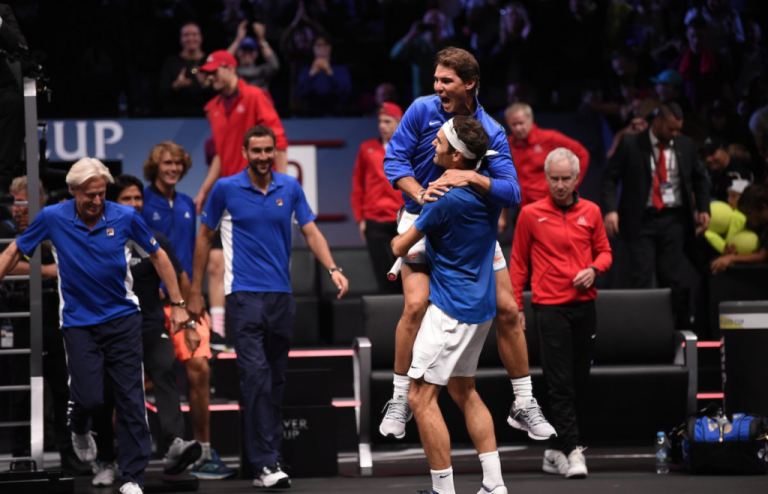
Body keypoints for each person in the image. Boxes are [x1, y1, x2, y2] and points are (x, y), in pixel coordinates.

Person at [382, 47, 554, 442]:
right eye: (436, 80)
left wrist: (471, 179)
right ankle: (398, 398)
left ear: (469, 83)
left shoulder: (490, 130)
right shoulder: (422, 110)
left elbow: (511, 191)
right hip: (421, 214)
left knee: (509, 308)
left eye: (446, 81)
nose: (437, 87)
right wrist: (421, 193)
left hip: (468, 226)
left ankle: (524, 403)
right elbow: (395, 163)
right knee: (414, 304)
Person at [0, 158, 188, 494]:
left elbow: (159, 256)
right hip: (78, 323)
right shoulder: (53, 218)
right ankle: (80, 429)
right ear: (73, 192)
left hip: (123, 320)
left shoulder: (126, 217)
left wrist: (177, 304)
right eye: (90, 195)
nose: (97, 201)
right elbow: (15, 251)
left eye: (102, 194)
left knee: (131, 400)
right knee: (87, 397)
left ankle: (132, 477)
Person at [187, 125, 349, 488]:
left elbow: (310, 231)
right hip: (243, 297)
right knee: (256, 377)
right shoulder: (225, 189)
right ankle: (265, 462)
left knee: (274, 380)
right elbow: (203, 238)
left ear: (275, 153)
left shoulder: (289, 187)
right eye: (256, 151)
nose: (262, 157)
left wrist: (333, 269)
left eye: (268, 151)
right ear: (244, 152)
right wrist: (195, 291)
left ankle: (267, 460)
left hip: (281, 297)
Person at [89, 175, 202, 486]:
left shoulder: (155, 239)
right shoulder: (100, 237)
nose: (135, 204)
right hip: (110, 327)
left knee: (165, 367)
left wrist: (189, 321)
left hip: (150, 324)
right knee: (107, 394)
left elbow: (178, 277)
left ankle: (175, 444)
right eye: (127, 199)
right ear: (112, 203)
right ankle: (106, 461)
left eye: (138, 198)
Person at [511, 148, 613, 479]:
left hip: (584, 306)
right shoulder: (530, 214)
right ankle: (572, 450)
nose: (558, 185)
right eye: (553, 178)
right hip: (549, 308)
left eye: (565, 179)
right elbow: (518, 264)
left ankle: (554, 450)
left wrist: (595, 269)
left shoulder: (592, 212)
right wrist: (515, 306)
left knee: (579, 381)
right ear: (546, 178)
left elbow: (605, 252)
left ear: (577, 178)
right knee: (560, 384)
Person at [140, 142, 234, 479]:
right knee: (143, 379)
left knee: (199, 369)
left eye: (178, 163)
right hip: (153, 305)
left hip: (187, 303)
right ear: (155, 166)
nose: (173, 168)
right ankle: (127, 455)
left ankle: (205, 452)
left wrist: (195, 295)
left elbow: (193, 255)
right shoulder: (140, 202)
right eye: (167, 163)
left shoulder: (185, 203)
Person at [195, 49, 289, 344]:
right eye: (207, 73)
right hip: (227, 192)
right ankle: (219, 333)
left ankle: (268, 330)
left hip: (256, 193)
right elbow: (223, 154)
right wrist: (204, 188)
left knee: (260, 263)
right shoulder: (212, 107)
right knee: (214, 262)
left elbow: (279, 142)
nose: (209, 77)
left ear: (229, 68)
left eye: (214, 72)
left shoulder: (255, 97)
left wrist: (283, 186)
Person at [2, 177, 90, 475]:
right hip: (17, 317)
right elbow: (7, 259)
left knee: (62, 388)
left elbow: (73, 256)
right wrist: (46, 270)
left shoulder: (54, 224)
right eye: (15, 202)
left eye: (24, 201)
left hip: (55, 316)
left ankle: (69, 455)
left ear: (39, 201)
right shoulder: (4, 231)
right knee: (19, 391)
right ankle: (20, 456)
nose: (19, 209)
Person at [601, 103, 710, 324]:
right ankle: (642, 329)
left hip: (674, 220)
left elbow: (700, 179)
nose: (675, 134)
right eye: (671, 129)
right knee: (641, 276)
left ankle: (674, 329)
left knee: (673, 278)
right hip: (641, 220)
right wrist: (611, 210)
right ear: (658, 122)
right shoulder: (632, 143)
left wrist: (704, 208)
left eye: (678, 129)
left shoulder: (685, 145)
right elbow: (609, 178)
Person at [350, 102, 405, 293]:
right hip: (375, 220)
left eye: (388, 121)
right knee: (384, 275)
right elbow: (358, 184)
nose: (382, 125)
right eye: (380, 121)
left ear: (399, 122)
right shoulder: (367, 148)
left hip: (403, 220)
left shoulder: (409, 149)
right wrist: (361, 219)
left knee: (407, 275)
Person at [506, 102, 591, 208]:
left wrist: (571, 185)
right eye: (514, 124)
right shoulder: (508, 144)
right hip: (523, 207)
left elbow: (582, 154)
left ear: (530, 119)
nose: (518, 128)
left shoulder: (550, 138)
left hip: (550, 204)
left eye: (521, 123)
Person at [158, 23, 214, 117]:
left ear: (201, 37)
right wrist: (176, 85)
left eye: (194, 34)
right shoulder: (171, 62)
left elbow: (219, 95)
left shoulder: (210, 61)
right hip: (175, 118)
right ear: (181, 39)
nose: (190, 38)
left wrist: (205, 83)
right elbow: (161, 95)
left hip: (204, 118)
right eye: (186, 35)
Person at [710, 184, 768, 273]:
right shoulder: (755, 222)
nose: (747, 218)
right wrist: (731, 250)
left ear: (763, 209)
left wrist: (731, 258)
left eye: (749, 213)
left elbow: (762, 257)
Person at [0, 3, 27, 191]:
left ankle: (1, 182)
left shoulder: (2, 10)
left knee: (14, 102)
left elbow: (21, 47)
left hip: (1, 88)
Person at [295, 35, 352, 113]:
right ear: (313, 49)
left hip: (337, 115)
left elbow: (346, 93)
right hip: (310, 116)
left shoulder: (340, 70)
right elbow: (299, 94)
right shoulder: (305, 71)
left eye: (325, 45)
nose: (322, 49)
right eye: (318, 45)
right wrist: (311, 76)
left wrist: (330, 73)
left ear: (329, 48)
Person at [227, 21, 280, 93]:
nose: (246, 53)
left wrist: (262, 40)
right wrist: (238, 40)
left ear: (256, 54)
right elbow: (221, 62)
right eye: (244, 50)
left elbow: (274, 66)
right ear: (238, 53)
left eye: (250, 50)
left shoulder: (262, 72)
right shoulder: (233, 72)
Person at [699, 136, 754, 203]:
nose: (708, 159)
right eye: (704, 156)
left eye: (712, 153)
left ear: (726, 151)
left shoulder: (739, 175)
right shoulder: (713, 174)